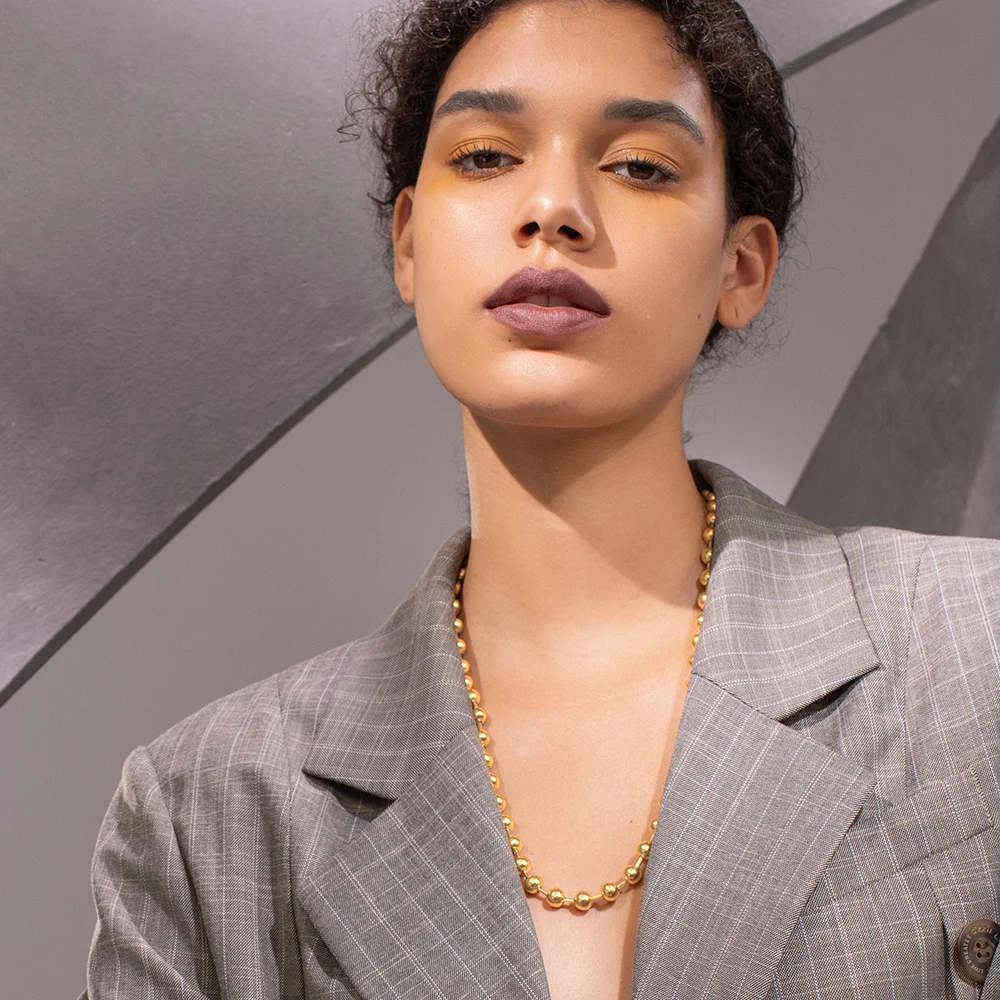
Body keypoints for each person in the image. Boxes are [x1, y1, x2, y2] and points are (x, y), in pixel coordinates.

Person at [82, 0, 1000, 997]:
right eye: (484, 156)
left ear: (741, 268)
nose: (553, 207)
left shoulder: (973, 648)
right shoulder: (206, 814)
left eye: (640, 166)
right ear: (408, 244)